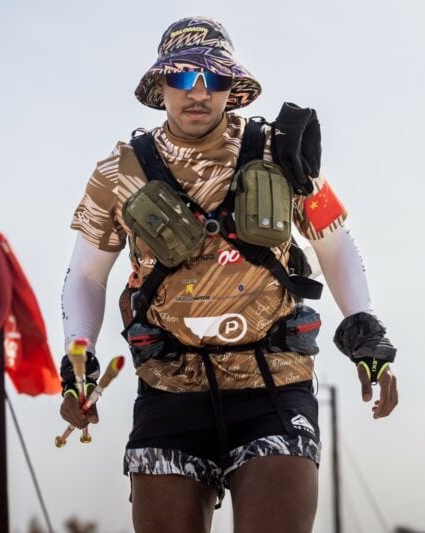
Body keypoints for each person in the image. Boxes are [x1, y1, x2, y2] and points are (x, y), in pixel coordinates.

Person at [59, 16, 398, 533]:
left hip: (274, 384)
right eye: (184, 78)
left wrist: (366, 330)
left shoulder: (281, 151)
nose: (199, 93)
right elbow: (86, 273)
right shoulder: (118, 171)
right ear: (160, 86)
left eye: (213, 79)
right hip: (169, 388)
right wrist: (78, 356)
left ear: (231, 88)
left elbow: (335, 241)